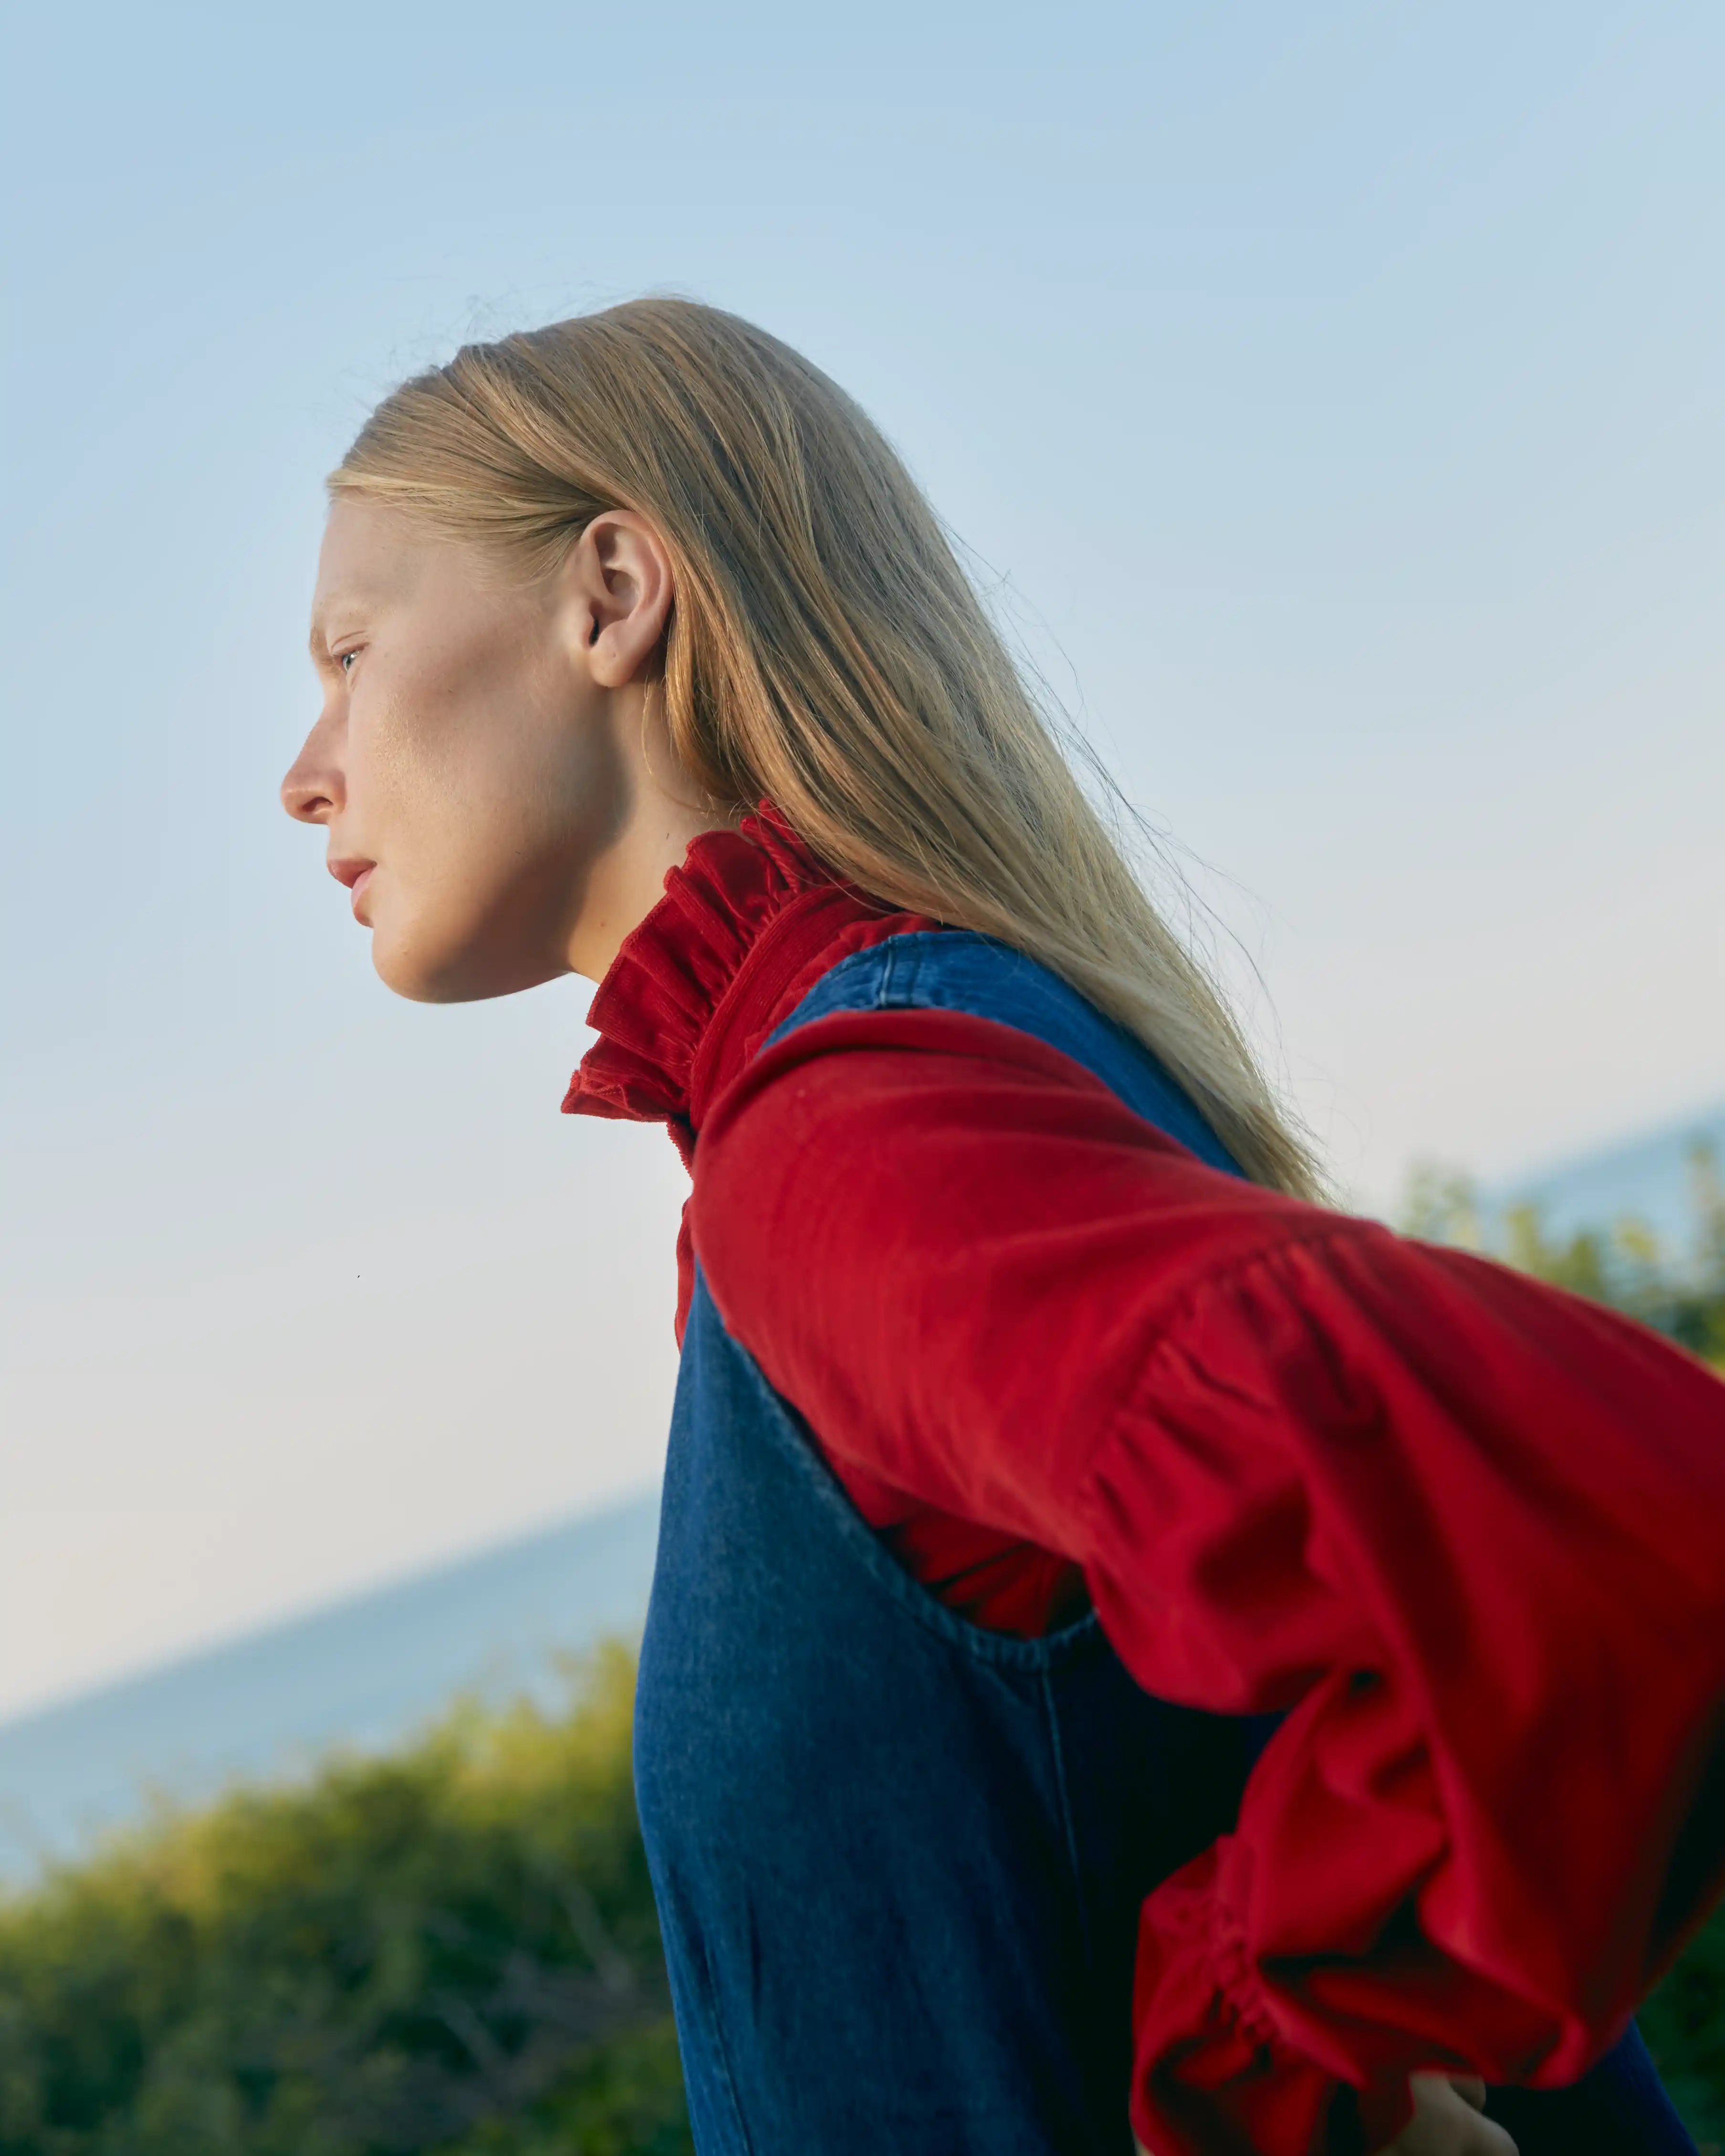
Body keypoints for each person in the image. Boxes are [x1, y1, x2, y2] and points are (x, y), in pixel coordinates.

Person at [281, 297, 1725, 2156]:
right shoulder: (898, 1075)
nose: (304, 769)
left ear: (610, 591)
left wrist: (1279, 2055)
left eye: (347, 652)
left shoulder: (851, 1135)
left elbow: (1603, 1544)